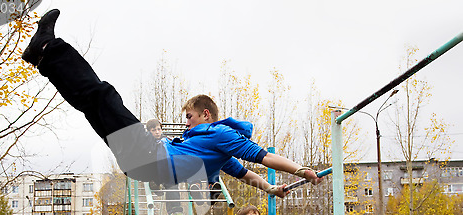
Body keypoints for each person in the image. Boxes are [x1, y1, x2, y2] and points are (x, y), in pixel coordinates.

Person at [21, 9, 322, 200]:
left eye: (190, 117)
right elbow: (249, 175)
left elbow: (263, 158)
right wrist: (271, 189)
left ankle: (48, 47)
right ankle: (43, 59)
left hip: (150, 156)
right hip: (140, 165)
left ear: (206, 115)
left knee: (105, 96)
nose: (187, 123)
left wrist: (300, 170)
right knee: (92, 104)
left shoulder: (221, 135)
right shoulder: (215, 153)